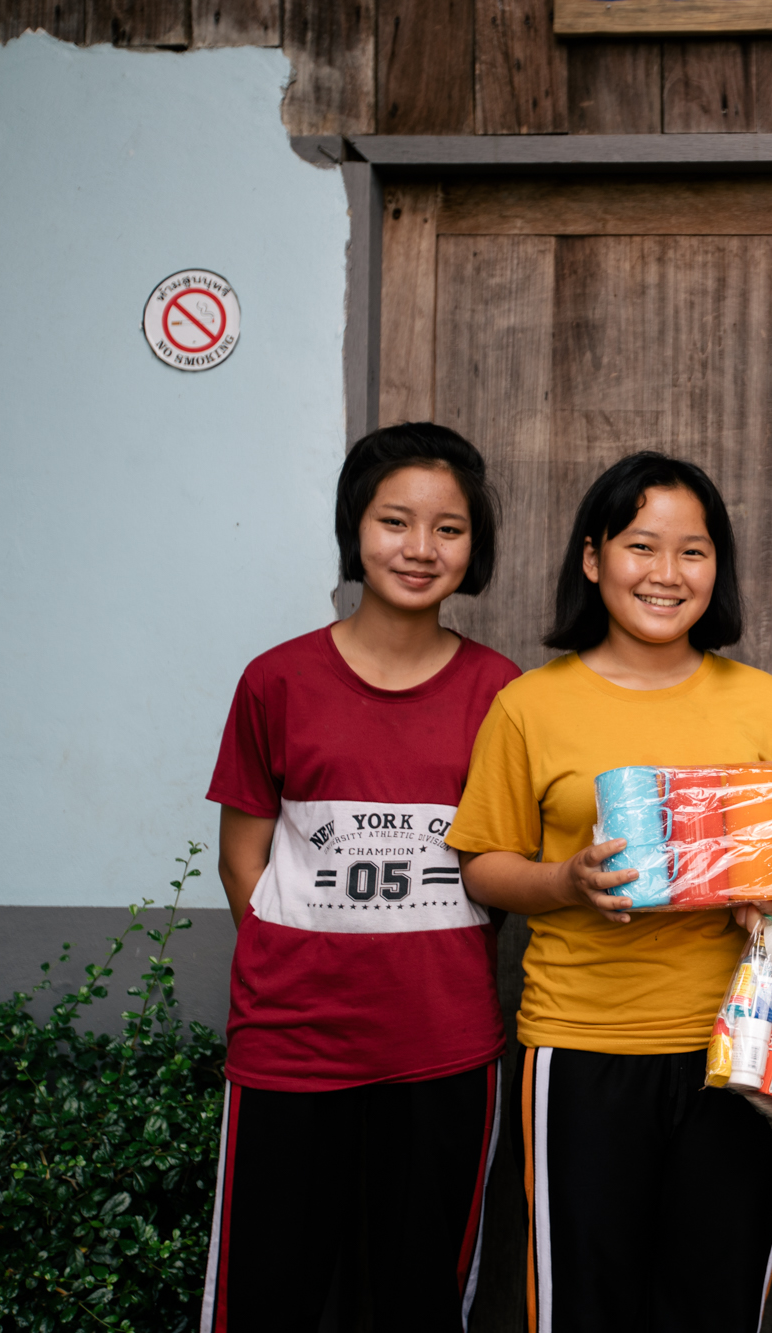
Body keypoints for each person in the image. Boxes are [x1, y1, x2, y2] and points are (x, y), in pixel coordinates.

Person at [447, 452, 772, 1333]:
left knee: (715, 1303)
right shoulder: (531, 704)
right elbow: (483, 865)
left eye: (694, 550)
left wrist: (766, 896)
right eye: (643, 546)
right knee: (583, 1303)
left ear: (717, 569)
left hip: (737, 1052)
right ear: (594, 557)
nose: (668, 573)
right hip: (580, 1046)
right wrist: (565, 880)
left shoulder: (759, 699)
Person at [201, 423, 521, 1331]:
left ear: (475, 544)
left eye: (448, 528)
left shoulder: (502, 692)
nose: (420, 549)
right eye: (394, 521)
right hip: (291, 1050)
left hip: (444, 1048)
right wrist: (302, 964)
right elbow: (243, 858)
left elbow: (505, 863)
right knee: (271, 1296)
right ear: (355, 529)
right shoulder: (278, 681)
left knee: (418, 1301)